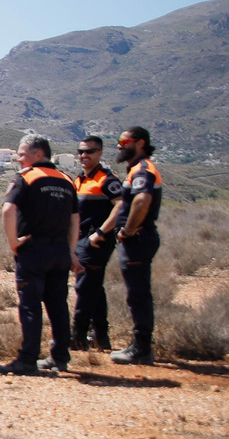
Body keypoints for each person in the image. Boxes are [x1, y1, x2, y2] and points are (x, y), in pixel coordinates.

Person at [0, 135, 82, 375]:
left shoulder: (26, 177)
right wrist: (71, 250)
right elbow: (75, 219)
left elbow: (8, 209)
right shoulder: (67, 180)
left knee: (30, 305)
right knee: (58, 306)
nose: (19, 159)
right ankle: (60, 357)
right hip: (60, 252)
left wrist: (13, 242)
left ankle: (27, 359)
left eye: (22, 154)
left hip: (33, 250)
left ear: (38, 154)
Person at [110, 126, 163, 365]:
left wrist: (128, 230)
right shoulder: (135, 169)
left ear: (140, 143)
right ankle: (139, 345)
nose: (120, 144)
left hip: (137, 240)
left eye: (124, 140)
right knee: (136, 293)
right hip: (136, 240)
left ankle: (142, 349)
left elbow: (142, 201)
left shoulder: (143, 170)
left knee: (138, 294)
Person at [70, 135, 124, 350]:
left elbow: (121, 205)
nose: (84, 155)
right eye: (81, 151)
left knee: (84, 288)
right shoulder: (79, 180)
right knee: (94, 288)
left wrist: (100, 233)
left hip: (95, 242)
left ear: (100, 153)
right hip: (80, 240)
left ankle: (78, 336)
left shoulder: (107, 180)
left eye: (89, 151)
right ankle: (100, 337)